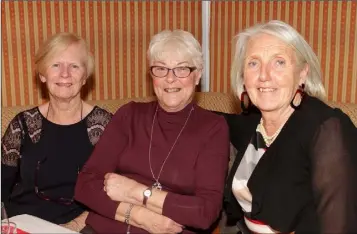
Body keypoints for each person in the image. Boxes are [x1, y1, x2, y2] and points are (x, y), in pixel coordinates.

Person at [74, 29, 230, 233]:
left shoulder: (213, 127)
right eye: (161, 69)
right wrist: (140, 216)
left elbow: (205, 212)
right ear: (151, 75)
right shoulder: (129, 115)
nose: (170, 79)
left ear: (198, 74)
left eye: (182, 69)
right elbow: (85, 185)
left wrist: (134, 192)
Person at [220, 20, 357, 233]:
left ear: (302, 73)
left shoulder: (327, 130)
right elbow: (213, 120)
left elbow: (340, 227)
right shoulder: (254, 123)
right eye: (253, 63)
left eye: (279, 62)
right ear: (243, 76)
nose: (264, 76)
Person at [1, 32, 112, 225]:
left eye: (74, 66)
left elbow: (114, 193)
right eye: (56, 65)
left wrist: (75, 226)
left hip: (79, 227)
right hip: (22, 225)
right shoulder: (22, 125)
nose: (65, 74)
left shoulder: (104, 125)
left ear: (85, 77)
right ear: (43, 75)